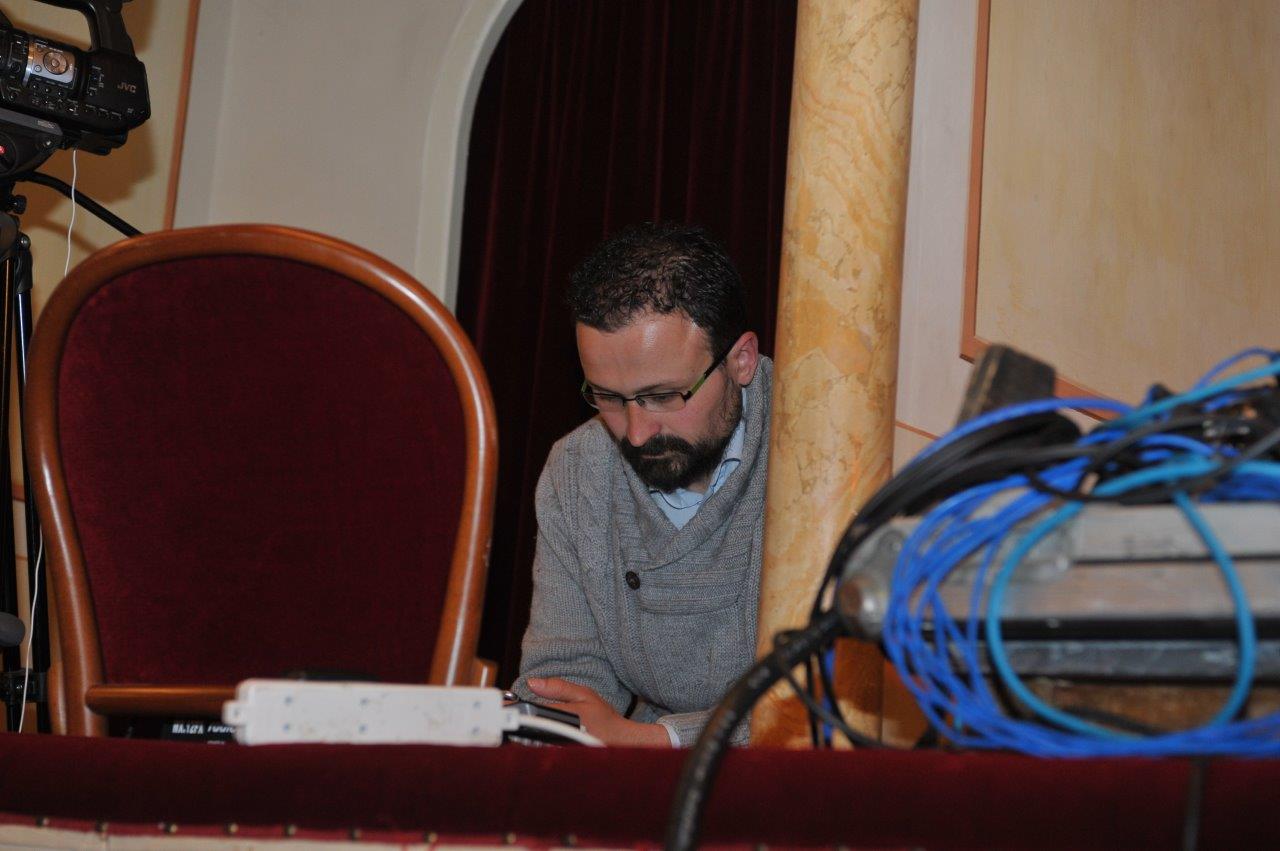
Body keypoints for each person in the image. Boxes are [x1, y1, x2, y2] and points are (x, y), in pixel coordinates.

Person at [510, 222, 772, 747]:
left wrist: (660, 741)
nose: (635, 433)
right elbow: (567, 678)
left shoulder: (826, 457)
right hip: (635, 767)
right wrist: (542, 724)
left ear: (741, 360)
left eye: (664, 396)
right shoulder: (578, 469)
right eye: (608, 397)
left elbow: (831, 698)